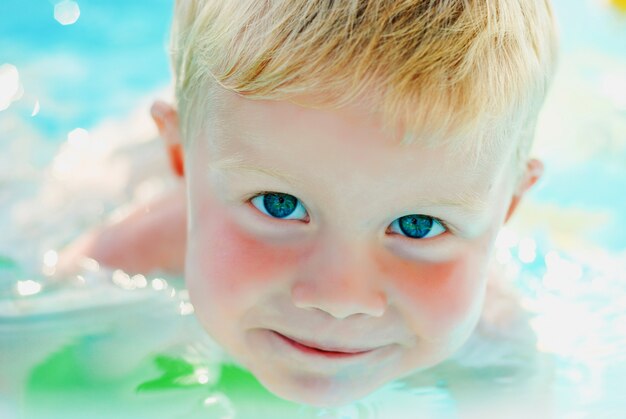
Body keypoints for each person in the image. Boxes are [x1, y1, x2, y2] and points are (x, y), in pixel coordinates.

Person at [59, 0, 559, 407]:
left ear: (507, 208)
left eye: (418, 225)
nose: (338, 297)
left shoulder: (499, 336)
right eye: (278, 204)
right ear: (181, 160)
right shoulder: (112, 263)